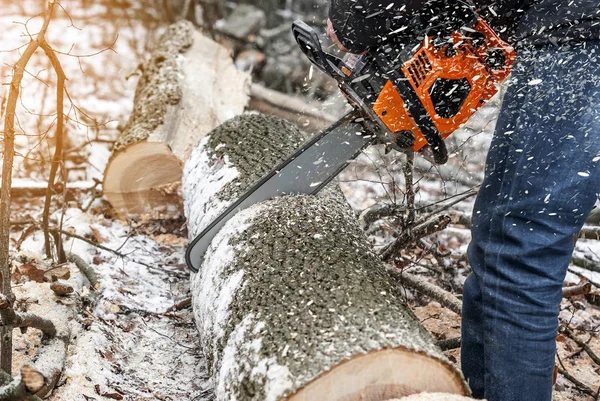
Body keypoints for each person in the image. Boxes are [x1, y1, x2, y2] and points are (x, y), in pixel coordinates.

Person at [327, 0, 600, 400]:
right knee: (498, 235)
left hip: (582, 39)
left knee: (523, 247)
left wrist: (356, 17)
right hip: (566, 31)